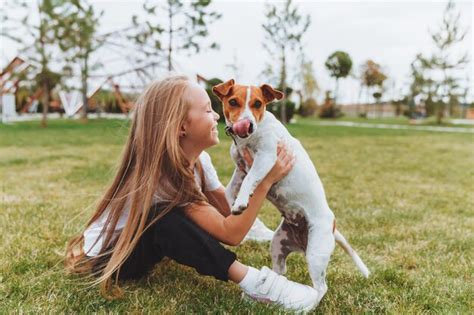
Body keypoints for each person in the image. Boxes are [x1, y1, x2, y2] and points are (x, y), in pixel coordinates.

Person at [65, 75, 319, 312]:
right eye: (209, 110)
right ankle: (258, 284)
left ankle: (256, 243)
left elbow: (229, 216)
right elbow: (231, 233)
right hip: (113, 258)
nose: (218, 117)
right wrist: (264, 182)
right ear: (181, 127)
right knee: (166, 221)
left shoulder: (200, 161)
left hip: (141, 242)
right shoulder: (164, 180)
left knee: (178, 219)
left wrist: (250, 173)